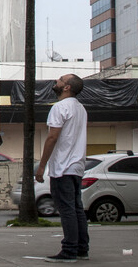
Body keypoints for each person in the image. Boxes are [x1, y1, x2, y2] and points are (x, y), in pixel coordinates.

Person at [36, 73, 89, 262]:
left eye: (60, 80)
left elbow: (52, 137)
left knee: (66, 209)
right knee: (76, 208)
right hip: (77, 166)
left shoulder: (59, 107)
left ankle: (69, 250)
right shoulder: (81, 109)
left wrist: (42, 166)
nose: (56, 81)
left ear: (67, 87)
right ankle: (81, 248)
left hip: (63, 167)